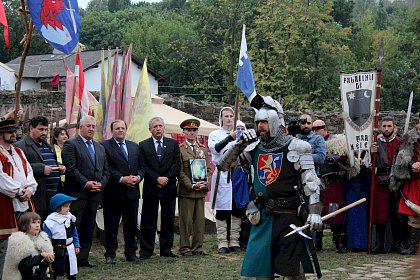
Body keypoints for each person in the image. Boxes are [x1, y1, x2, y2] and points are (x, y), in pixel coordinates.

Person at [217, 95, 323, 279]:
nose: (260, 127)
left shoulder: (298, 146)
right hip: (262, 215)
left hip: (288, 215)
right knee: (261, 268)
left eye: (264, 122)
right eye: (258, 123)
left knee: (290, 266)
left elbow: (311, 181)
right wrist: (239, 144)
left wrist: (314, 211)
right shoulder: (253, 148)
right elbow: (223, 164)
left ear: (275, 122)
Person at [61, 115, 110, 268]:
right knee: (74, 227)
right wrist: (85, 183)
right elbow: (71, 169)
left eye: (93, 126)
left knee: (88, 227)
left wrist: (101, 184)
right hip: (77, 194)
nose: (91, 129)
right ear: (80, 128)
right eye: (88, 126)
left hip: (94, 195)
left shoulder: (100, 147)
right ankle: (70, 259)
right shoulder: (71, 144)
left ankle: (83, 258)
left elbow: (106, 170)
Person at [138, 117, 181, 260]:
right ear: (150, 129)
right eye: (155, 126)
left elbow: (176, 165)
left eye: (160, 126)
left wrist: (165, 178)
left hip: (168, 187)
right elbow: (143, 166)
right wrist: (156, 178)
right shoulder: (143, 145)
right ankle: (146, 250)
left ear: (164, 128)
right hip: (151, 187)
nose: (158, 128)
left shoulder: (173, 144)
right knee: (148, 220)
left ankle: (166, 249)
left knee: (168, 219)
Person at [101, 120, 143, 264]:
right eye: (117, 128)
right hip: (113, 192)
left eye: (122, 128)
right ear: (112, 131)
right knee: (111, 224)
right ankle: (110, 253)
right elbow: (106, 167)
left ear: (126, 130)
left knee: (131, 225)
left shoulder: (134, 146)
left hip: (132, 192)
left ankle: (131, 253)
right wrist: (121, 179)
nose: (120, 130)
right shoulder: (104, 146)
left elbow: (142, 166)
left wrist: (138, 177)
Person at [0, 119, 38, 279]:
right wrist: (18, 191)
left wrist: (29, 189)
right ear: (1, 134)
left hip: (24, 203)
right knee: (6, 245)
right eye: (10, 131)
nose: (14, 134)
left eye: (14, 131)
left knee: (25, 241)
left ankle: (24, 274)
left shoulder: (18, 152)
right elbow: (1, 178)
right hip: (6, 204)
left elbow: (29, 173)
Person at [208, 108, 250, 254]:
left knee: (237, 209)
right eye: (226, 116)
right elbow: (216, 149)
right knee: (222, 209)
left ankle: (234, 241)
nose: (229, 118)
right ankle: (222, 242)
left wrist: (241, 138)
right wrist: (230, 138)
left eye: (231, 116)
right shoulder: (215, 134)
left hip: (238, 173)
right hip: (222, 174)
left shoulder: (241, 132)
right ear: (221, 118)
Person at [15, 116, 66, 220]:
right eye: (41, 129)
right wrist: (41, 169)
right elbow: (18, 168)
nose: (44, 132)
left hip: (53, 194)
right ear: (31, 128)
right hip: (36, 196)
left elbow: (51, 163)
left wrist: (59, 168)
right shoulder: (20, 147)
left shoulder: (49, 147)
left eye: (46, 129)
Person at [313, 119, 348, 253]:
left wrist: (335, 159)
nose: (315, 132)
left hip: (333, 183)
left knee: (335, 212)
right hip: (317, 182)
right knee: (317, 212)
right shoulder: (311, 143)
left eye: (317, 130)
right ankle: (317, 242)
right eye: (313, 130)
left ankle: (339, 241)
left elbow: (346, 158)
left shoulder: (337, 142)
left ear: (325, 130)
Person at [177, 118, 211, 257]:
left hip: (200, 190)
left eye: (194, 130)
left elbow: (208, 169)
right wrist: (190, 184)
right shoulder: (180, 149)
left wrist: (205, 183)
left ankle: (198, 247)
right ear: (184, 132)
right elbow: (179, 171)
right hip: (187, 191)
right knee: (186, 221)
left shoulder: (202, 149)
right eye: (189, 130)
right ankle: (185, 247)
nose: (192, 133)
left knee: (199, 221)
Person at [370, 116, 402, 254]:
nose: (387, 129)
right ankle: (378, 244)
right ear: (380, 127)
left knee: (396, 213)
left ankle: (397, 243)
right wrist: (371, 153)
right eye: (384, 126)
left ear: (394, 127)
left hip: (396, 180)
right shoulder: (375, 144)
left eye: (389, 126)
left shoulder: (400, 143)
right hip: (379, 181)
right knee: (379, 212)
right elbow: (367, 164)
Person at [390, 121, 420, 255]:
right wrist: (412, 164)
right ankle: (414, 246)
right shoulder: (408, 138)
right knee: (413, 216)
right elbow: (400, 160)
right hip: (414, 181)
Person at [297, 114, 326, 250]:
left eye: (308, 123)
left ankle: (311, 246)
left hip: (311, 181)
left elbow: (321, 158)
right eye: (303, 123)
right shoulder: (293, 139)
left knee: (312, 213)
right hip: (295, 180)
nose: (306, 125)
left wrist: (300, 156)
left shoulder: (318, 139)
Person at [2, 212, 54, 280]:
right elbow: (24, 266)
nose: (37, 225)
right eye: (33, 222)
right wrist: (41, 256)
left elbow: (44, 265)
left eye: (38, 222)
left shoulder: (43, 239)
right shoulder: (18, 240)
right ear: (24, 225)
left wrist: (48, 258)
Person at [43, 193, 80, 279]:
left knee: (71, 267)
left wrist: (77, 244)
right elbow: (46, 238)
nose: (68, 208)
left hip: (70, 248)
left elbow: (74, 233)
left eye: (69, 206)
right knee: (56, 268)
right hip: (57, 249)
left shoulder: (70, 218)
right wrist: (49, 250)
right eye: (66, 206)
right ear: (58, 207)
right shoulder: (50, 222)